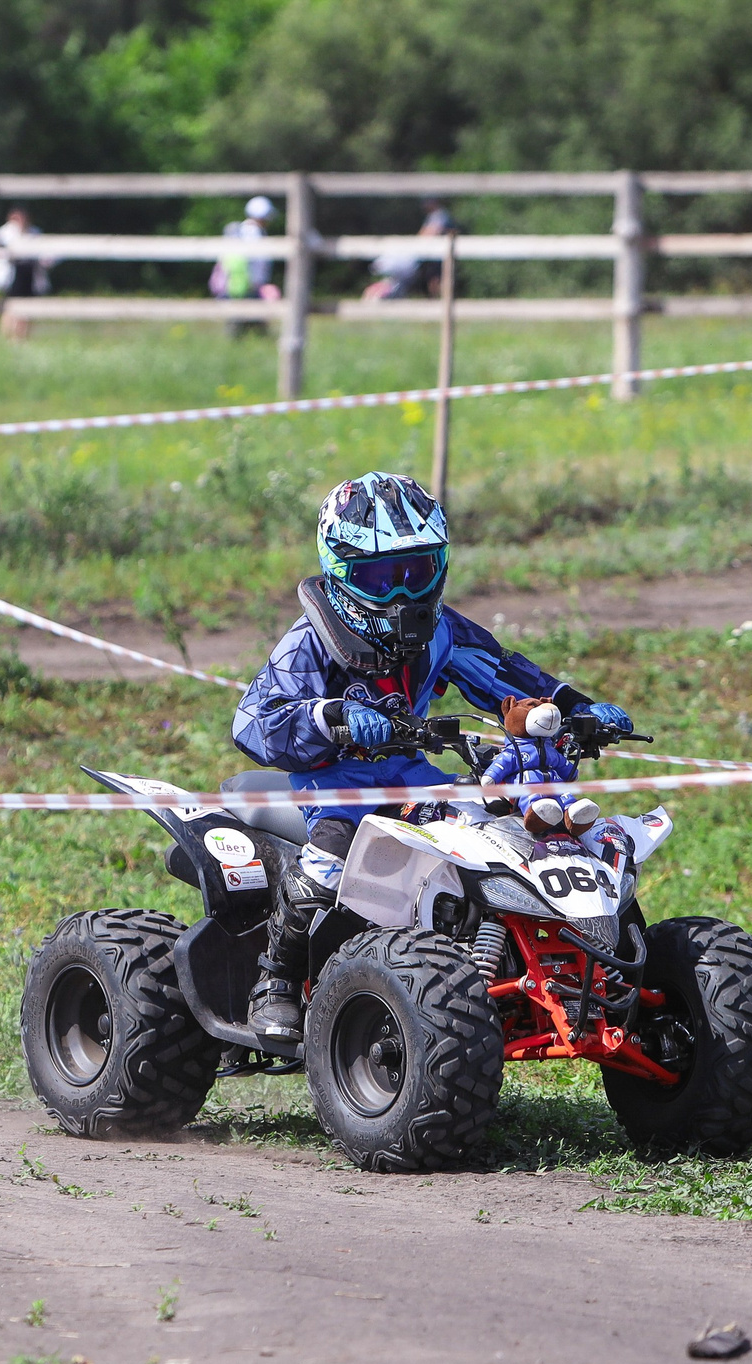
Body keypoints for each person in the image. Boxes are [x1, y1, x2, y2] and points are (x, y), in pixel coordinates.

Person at [232, 472, 636, 1044]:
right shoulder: (311, 641)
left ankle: (512, 967)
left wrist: (577, 708)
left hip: (416, 777)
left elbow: (505, 675)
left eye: (416, 572)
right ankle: (273, 982)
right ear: (340, 570)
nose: (401, 594)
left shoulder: (439, 631)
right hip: (335, 785)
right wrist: (332, 717)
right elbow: (253, 722)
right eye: (380, 577)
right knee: (328, 864)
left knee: (496, 839)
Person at [481, 697, 599, 836]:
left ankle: (575, 815)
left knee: (566, 797)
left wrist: (571, 773)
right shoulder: (513, 752)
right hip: (528, 786)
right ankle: (538, 816)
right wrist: (490, 777)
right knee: (532, 799)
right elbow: (501, 765)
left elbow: (561, 763)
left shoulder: (549, 749)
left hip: (555, 784)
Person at [211, 194, 283, 337]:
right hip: (250, 284)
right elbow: (259, 262)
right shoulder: (255, 234)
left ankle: (242, 343)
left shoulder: (238, 231)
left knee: (241, 319)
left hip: (234, 282)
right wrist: (258, 283)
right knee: (250, 320)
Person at [361, 200, 455, 301]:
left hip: (433, 252)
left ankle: (440, 300)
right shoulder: (435, 216)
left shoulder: (439, 216)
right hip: (427, 252)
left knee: (435, 278)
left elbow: (429, 233)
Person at [0, 206, 52, 341]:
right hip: (12, 274)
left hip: (29, 273)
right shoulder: (5, 233)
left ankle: (23, 337)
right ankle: (8, 336)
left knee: (28, 308)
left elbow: (44, 253)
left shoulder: (34, 232)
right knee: (9, 307)